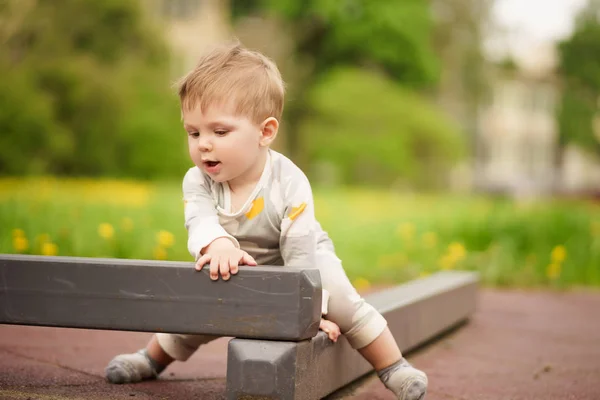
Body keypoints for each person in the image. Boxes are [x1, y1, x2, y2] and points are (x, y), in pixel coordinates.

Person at [105, 42, 428, 400]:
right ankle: (150, 359)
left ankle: (394, 366)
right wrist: (219, 244)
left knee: (346, 305)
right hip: (235, 261)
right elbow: (199, 222)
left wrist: (309, 313)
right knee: (196, 312)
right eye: (194, 133)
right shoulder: (197, 180)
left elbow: (300, 253)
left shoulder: (289, 182)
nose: (204, 145)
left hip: (303, 262)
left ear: (266, 131)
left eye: (220, 132)